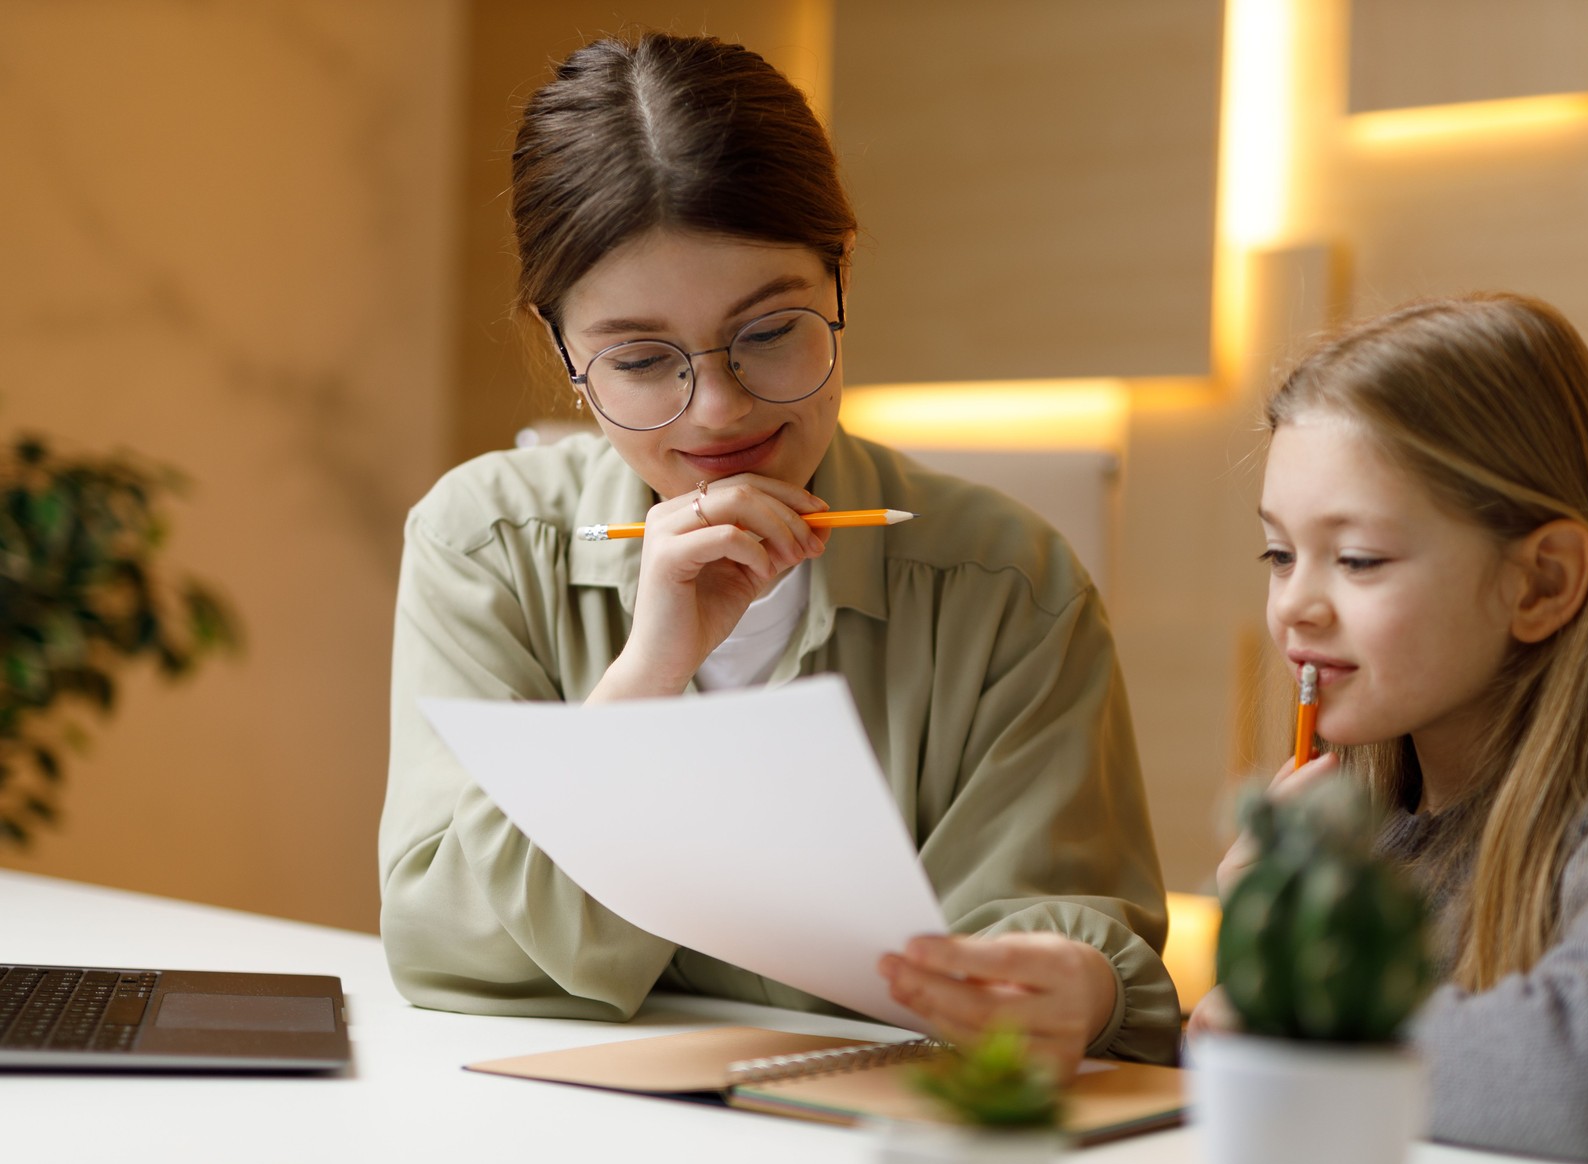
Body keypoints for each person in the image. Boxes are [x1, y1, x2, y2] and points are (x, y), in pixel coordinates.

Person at [377, 33, 1177, 1071]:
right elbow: (446, 947)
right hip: (564, 1123)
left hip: (885, 1129)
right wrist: (646, 677)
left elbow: (1049, 936)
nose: (717, 408)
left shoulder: (1006, 578)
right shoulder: (485, 542)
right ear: (562, 350)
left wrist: (1077, 982)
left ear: (839, 277)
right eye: (639, 358)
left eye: (769, 331)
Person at [1189, 294, 1588, 1162]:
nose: (1295, 607)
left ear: (1540, 583)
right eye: (1280, 554)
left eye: (1357, 559)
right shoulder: (1352, 830)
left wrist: (1293, 1005)